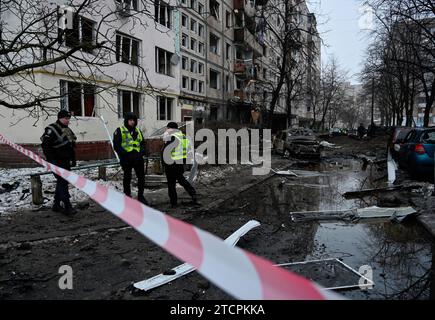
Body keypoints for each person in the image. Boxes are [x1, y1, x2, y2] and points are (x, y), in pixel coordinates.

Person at [41, 110, 77, 215]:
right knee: (63, 182)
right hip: (56, 161)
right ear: (60, 118)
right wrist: (51, 161)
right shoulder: (51, 129)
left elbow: (71, 145)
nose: (67, 121)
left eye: (68, 119)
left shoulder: (67, 129)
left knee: (62, 182)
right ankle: (67, 205)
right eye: (66, 118)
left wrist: (73, 159)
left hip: (65, 160)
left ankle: (56, 204)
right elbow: (45, 147)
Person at [113, 112, 149, 205]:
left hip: (137, 158)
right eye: (130, 120)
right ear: (126, 121)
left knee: (141, 177)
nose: (132, 122)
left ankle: (140, 196)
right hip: (126, 159)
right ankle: (127, 196)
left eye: (134, 120)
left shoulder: (138, 131)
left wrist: (142, 152)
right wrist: (125, 155)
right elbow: (116, 146)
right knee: (127, 177)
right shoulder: (120, 130)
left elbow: (142, 143)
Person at [162, 122, 197, 208]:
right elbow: (187, 150)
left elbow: (166, 151)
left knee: (171, 184)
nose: (167, 130)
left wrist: (163, 162)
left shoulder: (172, 137)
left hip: (171, 163)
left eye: (168, 128)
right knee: (181, 180)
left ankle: (173, 203)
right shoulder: (183, 137)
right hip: (179, 163)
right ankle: (192, 193)